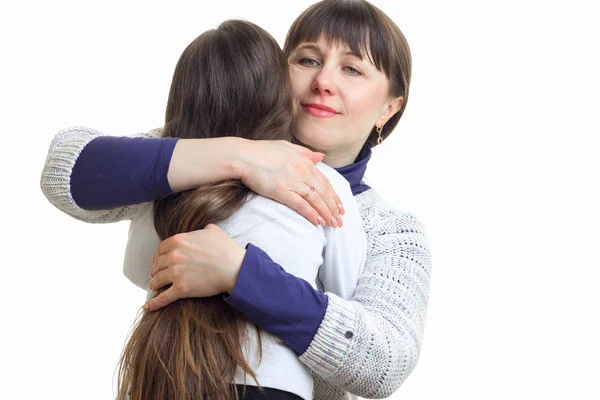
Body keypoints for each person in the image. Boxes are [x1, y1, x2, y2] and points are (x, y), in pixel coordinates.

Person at [40, 1, 432, 399]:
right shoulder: (203, 151)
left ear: (389, 106)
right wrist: (239, 156)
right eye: (308, 60)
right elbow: (65, 169)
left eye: (352, 69)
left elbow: (384, 362)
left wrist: (240, 274)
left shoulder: (387, 228)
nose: (323, 82)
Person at [114, 18, 366, 400]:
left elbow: (137, 269)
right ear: (279, 96)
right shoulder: (322, 182)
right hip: (272, 387)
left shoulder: (165, 185)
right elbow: (346, 298)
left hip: (166, 378)